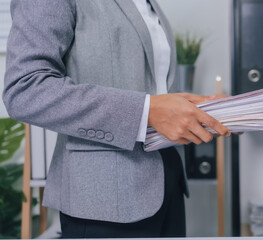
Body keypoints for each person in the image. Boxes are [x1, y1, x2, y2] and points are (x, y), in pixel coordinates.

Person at [2, 0, 230, 238]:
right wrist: (146, 111)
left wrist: (205, 112)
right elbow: (25, 89)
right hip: (105, 198)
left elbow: (151, 87)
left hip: (167, 181)